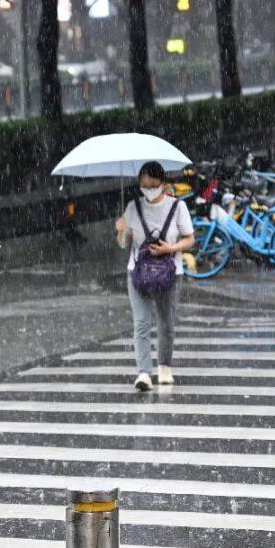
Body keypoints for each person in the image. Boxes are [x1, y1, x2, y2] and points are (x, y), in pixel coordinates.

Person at [115, 161, 195, 391]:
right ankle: (143, 373)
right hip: (138, 273)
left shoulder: (178, 206)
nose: (149, 188)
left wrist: (169, 249)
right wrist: (121, 230)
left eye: (153, 184)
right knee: (141, 323)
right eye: (144, 184)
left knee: (166, 323)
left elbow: (190, 238)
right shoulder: (132, 207)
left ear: (163, 183)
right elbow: (123, 245)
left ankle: (164, 366)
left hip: (170, 274)